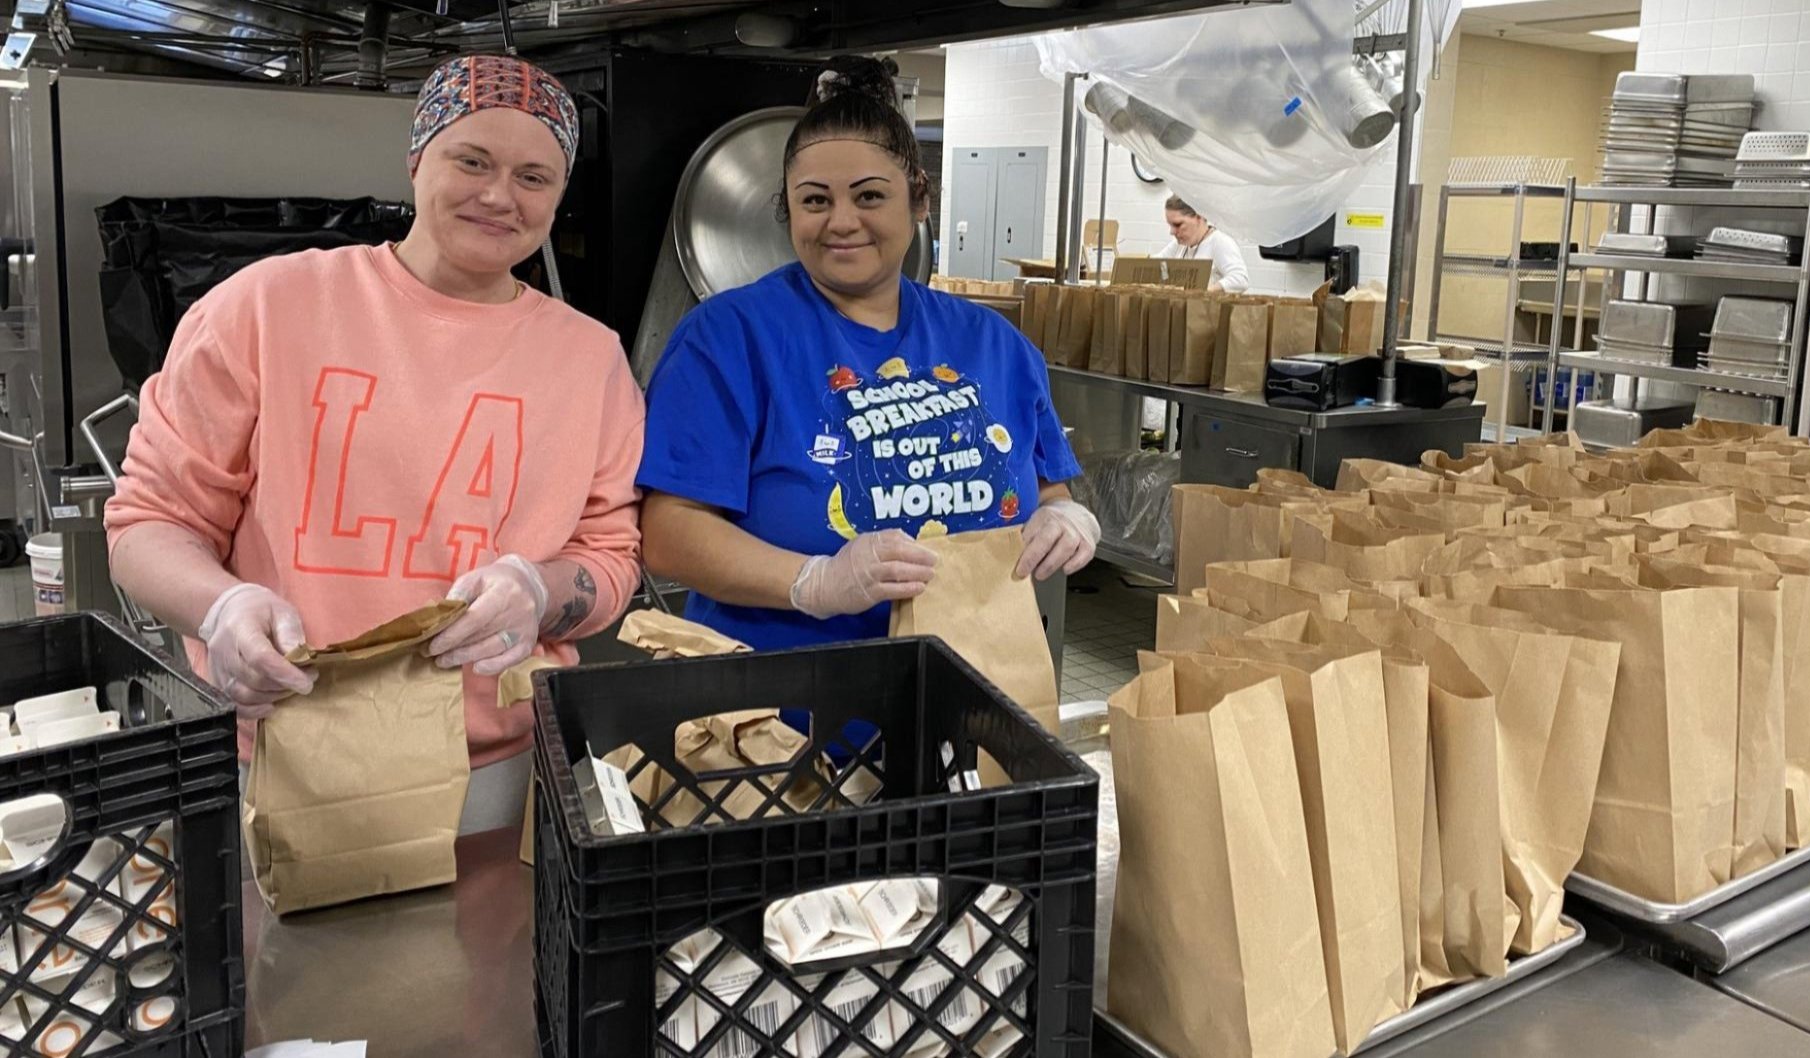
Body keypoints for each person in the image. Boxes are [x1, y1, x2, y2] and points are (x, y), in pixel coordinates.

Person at [103, 55, 646, 779]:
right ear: (418, 158)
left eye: (533, 177)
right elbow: (146, 524)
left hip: (501, 769)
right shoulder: (266, 308)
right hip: (280, 758)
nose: (498, 195)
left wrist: (542, 591)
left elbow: (610, 556)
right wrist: (219, 609)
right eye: (472, 160)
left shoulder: (591, 360)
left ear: (559, 196)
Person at [637, 55, 1100, 654]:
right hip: (781, 709)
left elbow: (1048, 488)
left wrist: (1064, 520)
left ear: (919, 199)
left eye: (869, 196)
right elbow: (670, 531)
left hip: (970, 682)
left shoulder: (994, 344)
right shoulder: (729, 338)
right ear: (788, 209)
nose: (842, 222)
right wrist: (813, 582)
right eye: (814, 201)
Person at [1157, 194, 1250, 293]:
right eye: (1170, 225)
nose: (1172, 232)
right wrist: (1165, 277)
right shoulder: (1179, 244)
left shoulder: (1219, 242)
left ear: (1199, 217)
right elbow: (1158, 264)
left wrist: (1206, 291)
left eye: (1178, 225)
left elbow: (1240, 279)